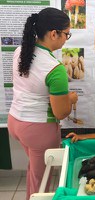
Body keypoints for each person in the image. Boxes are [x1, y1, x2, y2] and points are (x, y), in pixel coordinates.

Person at [7, 7, 78, 200]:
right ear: (54, 33)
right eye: (66, 34)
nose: (66, 39)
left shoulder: (20, 51)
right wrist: (70, 99)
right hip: (37, 129)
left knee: (35, 168)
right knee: (41, 182)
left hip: (15, 122)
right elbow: (61, 112)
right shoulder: (55, 69)